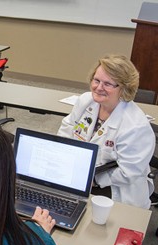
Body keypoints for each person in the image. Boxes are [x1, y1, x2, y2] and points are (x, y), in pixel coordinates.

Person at [57, 54, 154, 209]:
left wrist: (93, 180)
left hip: (116, 188)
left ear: (124, 88)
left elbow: (128, 172)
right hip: (79, 175)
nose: (98, 87)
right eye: (96, 80)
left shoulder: (136, 126)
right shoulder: (86, 100)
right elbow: (66, 130)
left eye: (108, 84)